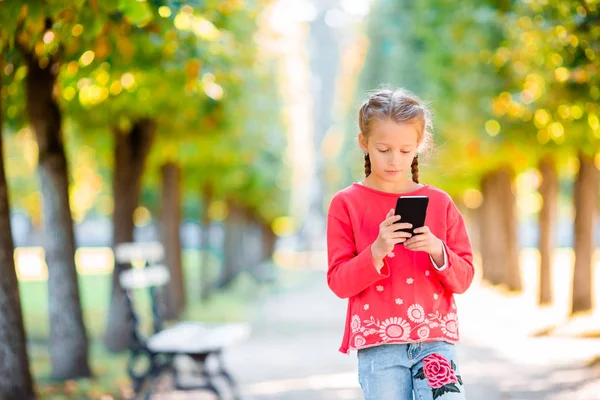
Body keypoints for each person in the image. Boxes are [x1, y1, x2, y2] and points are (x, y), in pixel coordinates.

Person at [326, 88, 474, 400]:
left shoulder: (440, 202)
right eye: (383, 149)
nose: (395, 160)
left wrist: (437, 249)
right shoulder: (346, 203)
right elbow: (339, 283)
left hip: (436, 339)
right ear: (363, 143)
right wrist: (376, 251)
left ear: (419, 146)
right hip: (378, 344)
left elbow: (464, 278)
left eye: (406, 151)